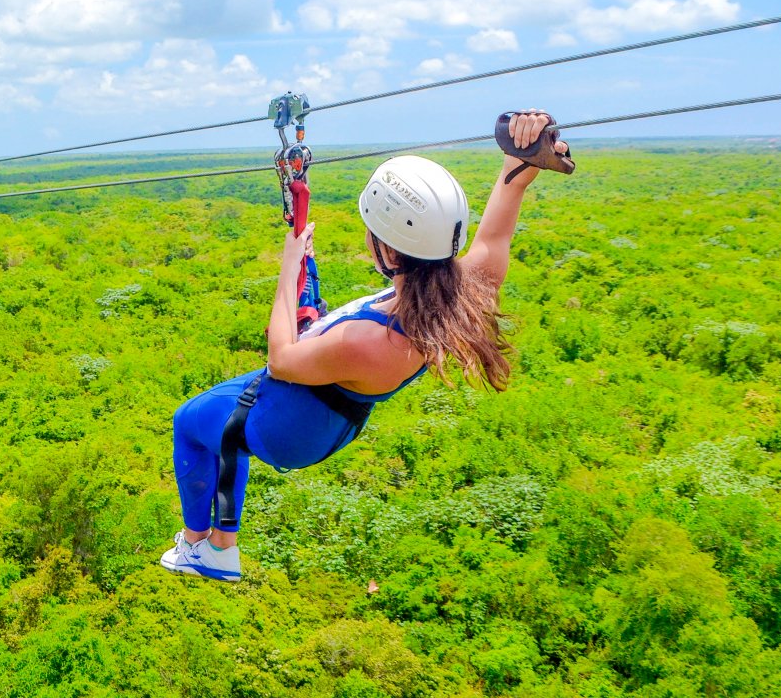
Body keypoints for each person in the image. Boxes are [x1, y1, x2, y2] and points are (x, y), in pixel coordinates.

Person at [160, 111, 567, 581]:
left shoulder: (371, 340)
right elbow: (494, 236)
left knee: (190, 424)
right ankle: (219, 543)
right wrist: (519, 163)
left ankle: (205, 547)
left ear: (387, 250)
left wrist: (289, 267)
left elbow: (282, 359)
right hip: (329, 417)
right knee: (220, 428)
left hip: (288, 425)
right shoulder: (459, 292)